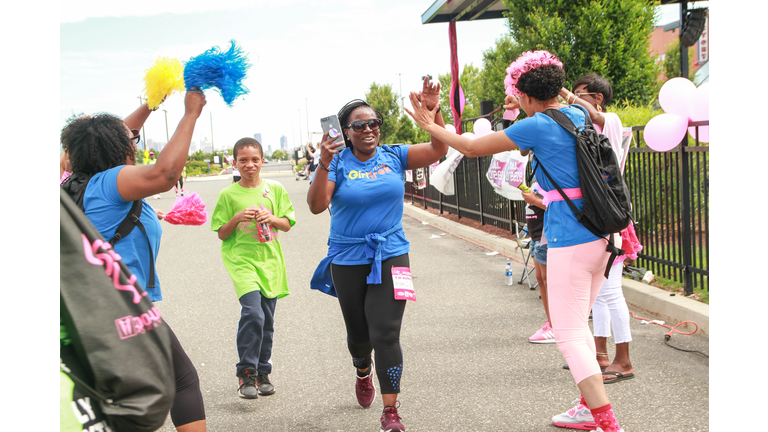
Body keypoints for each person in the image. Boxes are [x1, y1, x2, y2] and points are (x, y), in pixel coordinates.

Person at [406, 51, 625, 432]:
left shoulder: (537, 125)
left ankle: (608, 423)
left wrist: (428, 121)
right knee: (580, 325)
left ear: (523, 96)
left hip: (568, 239)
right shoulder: (579, 114)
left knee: (568, 330)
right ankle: (588, 408)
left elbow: (471, 147)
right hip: (602, 235)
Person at [60, 90, 208, 432]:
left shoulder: (74, 182)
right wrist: (190, 114)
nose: (135, 142)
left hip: (86, 311)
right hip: (121, 310)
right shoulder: (112, 181)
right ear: (116, 148)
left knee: (107, 398)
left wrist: (150, 105)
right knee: (181, 380)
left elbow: (103, 135)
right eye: (131, 140)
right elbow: (166, 173)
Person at [307, 77, 448, 432]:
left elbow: (438, 149)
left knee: (385, 332)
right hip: (348, 258)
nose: (369, 129)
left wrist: (434, 109)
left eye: (374, 123)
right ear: (345, 131)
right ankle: (362, 370)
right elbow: (316, 205)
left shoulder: (395, 155)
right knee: (359, 336)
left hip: (392, 253)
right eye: (359, 125)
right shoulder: (337, 163)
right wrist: (323, 162)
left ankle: (391, 411)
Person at [559, 75, 639, 385]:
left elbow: (591, 116)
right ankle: (600, 355)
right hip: (598, 213)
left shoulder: (611, 121)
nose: (573, 102)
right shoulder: (586, 129)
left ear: (598, 99)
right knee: (601, 295)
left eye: (580, 96)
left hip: (611, 215)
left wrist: (561, 92)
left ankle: (624, 359)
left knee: (612, 293)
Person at [210, 137, 295, 400]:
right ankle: (246, 372)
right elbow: (222, 234)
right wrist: (236, 218)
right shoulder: (228, 194)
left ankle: (263, 371)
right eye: (243, 160)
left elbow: (287, 223)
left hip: (270, 263)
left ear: (262, 161)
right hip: (241, 262)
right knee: (253, 314)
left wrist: (271, 218)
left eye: (254, 159)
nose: (249, 165)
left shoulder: (275, 189)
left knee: (267, 322)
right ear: (234, 163)